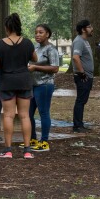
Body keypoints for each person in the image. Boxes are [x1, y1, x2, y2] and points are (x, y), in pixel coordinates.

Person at [0, 13, 38, 159]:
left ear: (6, 27)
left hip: (7, 82)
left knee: (8, 115)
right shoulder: (27, 42)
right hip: (24, 81)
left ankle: (8, 149)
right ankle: (27, 150)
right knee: (25, 116)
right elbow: (35, 58)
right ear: (19, 26)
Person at [29, 24, 60, 152]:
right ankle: (33, 139)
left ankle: (44, 142)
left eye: (41, 32)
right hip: (33, 85)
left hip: (45, 85)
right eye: (36, 32)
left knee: (43, 112)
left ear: (47, 34)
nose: (37, 35)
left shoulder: (51, 49)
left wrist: (35, 67)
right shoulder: (36, 48)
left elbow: (55, 68)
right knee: (28, 113)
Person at [71, 19, 95, 133]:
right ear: (83, 29)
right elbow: (76, 57)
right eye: (89, 27)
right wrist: (82, 73)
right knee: (80, 100)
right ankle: (77, 126)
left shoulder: (85, 41)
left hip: (87, 76)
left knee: (83, 100)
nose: (92, 29)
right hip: (83, 76)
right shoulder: (79, 41)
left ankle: (80, 124)